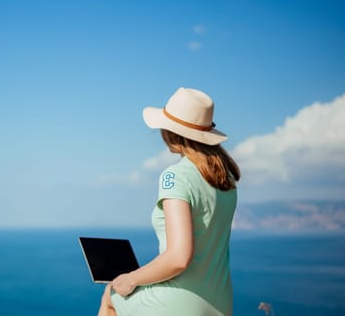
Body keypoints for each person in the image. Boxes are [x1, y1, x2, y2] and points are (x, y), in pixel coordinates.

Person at [98, 87, 241, 316]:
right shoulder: (227, 180)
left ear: (171, 132)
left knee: (110, 296)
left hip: (179, 305)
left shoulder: (175, 176)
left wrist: (131, 279)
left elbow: (178, 257)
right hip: (220, 302)